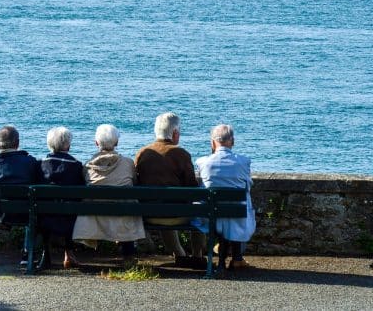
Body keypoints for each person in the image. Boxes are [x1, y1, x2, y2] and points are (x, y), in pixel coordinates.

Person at [134, 112, 205, 264]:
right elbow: (192, 189)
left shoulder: (142, 153)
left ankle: (179, 254)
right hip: (177, 215)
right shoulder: (181, 154)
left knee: (162, 206)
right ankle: (197, 256)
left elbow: (136, 183)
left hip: (150, 214)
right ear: (174, 133)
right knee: (201, 211)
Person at [72, 124, 146, 263]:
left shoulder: (88, 166)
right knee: (127, 206)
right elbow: (134, 182)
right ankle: (128, 256)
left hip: (95, 218)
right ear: (117, 143)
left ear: (96, 143)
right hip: (124, 216)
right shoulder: (128, 163)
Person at [193, 124, 256, 270]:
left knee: (222, 214)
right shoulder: (243, 162)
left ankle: (224, 260)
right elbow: (248, 186)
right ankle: (237, 258)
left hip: (211, 215)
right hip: (237, 215)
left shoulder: (203, 162)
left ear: (213, 142)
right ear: (232, 141)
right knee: (240, 209)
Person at [0, 125, 42, 264]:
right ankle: (28, 253)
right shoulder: (30, 163)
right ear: (17, 143)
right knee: (34, 210)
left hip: (1, 213)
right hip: (28, 213)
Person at [38, 126, 85, 270]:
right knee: (71, 207)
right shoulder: (76, 166)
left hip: (44, 218)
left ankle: (45, 252)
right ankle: (69, 252)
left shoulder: (40, 164)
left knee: (46, 207)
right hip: (70, 219)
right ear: (68, 146)